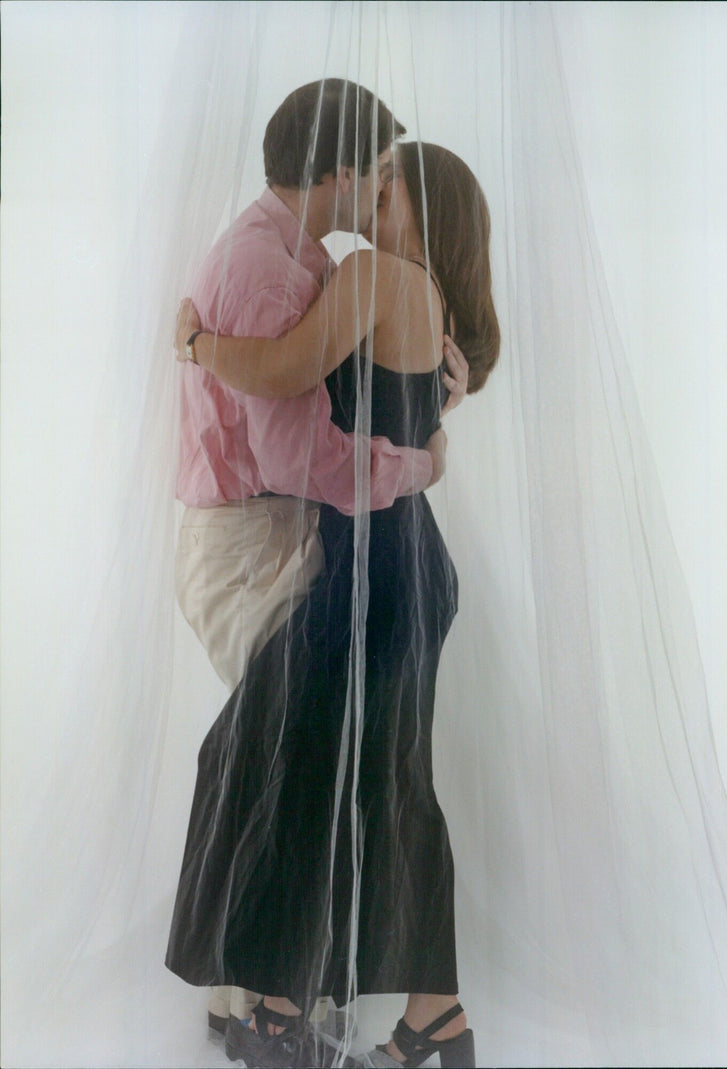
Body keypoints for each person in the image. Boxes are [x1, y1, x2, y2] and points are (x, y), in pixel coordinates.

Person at [168, 140, 500, 1069]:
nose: (367, 186)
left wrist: (193, 342)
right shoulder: (417, 296)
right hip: (400, 568)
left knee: (283, 767)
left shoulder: (373, 274)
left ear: (417, 213)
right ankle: (433, 1016)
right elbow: (403, 415)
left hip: (376, 578)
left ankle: (273, 1013)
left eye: (387, 182)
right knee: (378, 784)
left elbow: (278, 371)